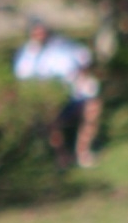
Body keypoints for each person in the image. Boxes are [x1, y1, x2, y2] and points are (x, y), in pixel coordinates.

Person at [13, 18, 104, 168]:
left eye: (43, 31)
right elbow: (24, 79)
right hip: (50, 98)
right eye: (37, 32)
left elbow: (83, 58)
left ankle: (82, 151)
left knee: (93, 107)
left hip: (73, 94)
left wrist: (80, 75)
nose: (40, 35)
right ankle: (62, 156)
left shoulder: (62, 45)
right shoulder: (27, 55)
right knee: (50, 117)